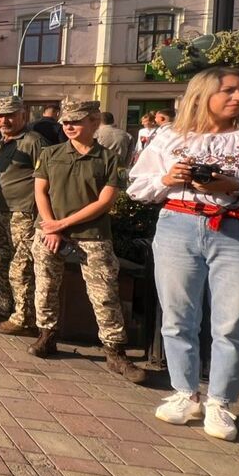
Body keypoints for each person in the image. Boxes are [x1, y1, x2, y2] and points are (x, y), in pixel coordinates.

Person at [129, 68, 239, 441]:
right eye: (228, 90)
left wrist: (233, 185)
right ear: (202, 94)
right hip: (178, 225)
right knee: (177, 316)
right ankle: (184, 393)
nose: (238, 97)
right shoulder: (168, 137)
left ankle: (221, 403)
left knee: (234, 323)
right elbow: (138, 188)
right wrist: (167, 180)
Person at [29, 98, 146, 382]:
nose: (69, 126)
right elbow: (40, 192)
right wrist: (51, 228)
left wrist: (64, 223)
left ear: (94, 123)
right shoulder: (50, 153)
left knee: (104, 294)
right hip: (49, 233)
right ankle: (47, 335)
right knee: (45, 287)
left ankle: (115, 351)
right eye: (66, 122)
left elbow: (105, 202)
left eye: (76, 121)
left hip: (91, 236)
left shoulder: (109, 159)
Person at [0, 96, 46, 336]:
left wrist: (40, 217)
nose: (4, 120)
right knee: (1, 260)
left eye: (10, 115)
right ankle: (7, 306)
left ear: (23, 114)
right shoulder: (5, 142)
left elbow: (46, 180)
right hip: (2, 212)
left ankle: (23, 317)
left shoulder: (33, 141)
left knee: (20, 267)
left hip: (23, 213)